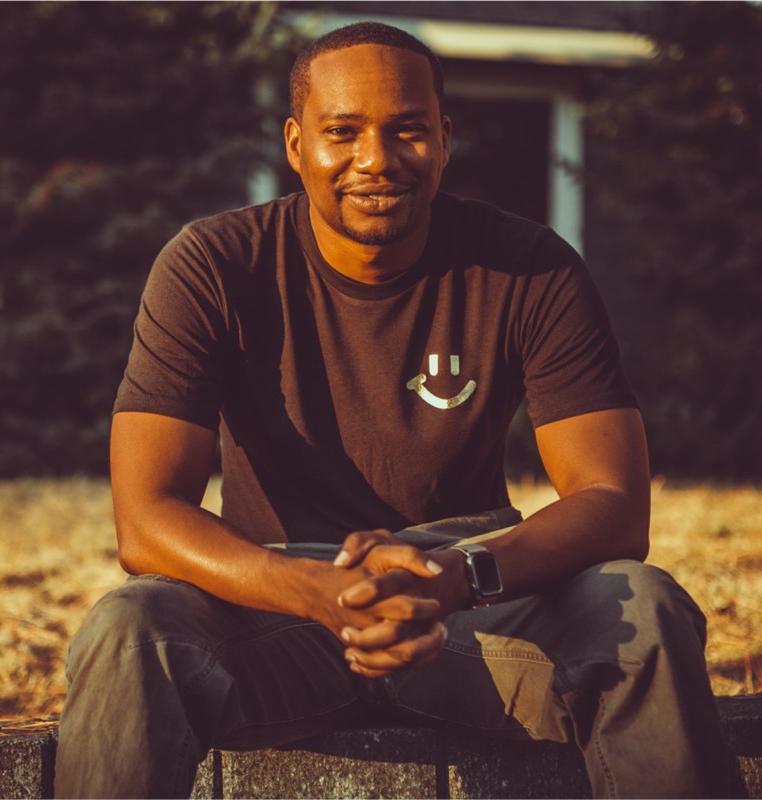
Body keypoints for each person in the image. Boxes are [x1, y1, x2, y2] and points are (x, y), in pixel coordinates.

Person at [54, 22, 729, 799]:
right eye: (343, 132)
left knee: (645, 608)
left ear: (444, 139)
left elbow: (614, 503)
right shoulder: (213, 265)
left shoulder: (530, 268)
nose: (376, 158)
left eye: (407, 129)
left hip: (470, 608)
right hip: (276, 615)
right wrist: (314, 591)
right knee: (130, 628)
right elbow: (144, 521)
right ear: (297, 144)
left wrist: (456, 576)